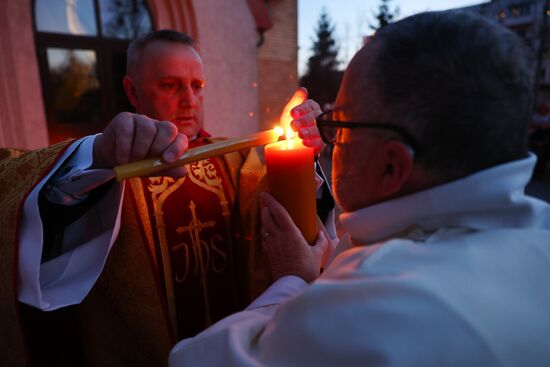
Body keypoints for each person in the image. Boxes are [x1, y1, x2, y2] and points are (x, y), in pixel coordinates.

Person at [169, 11, 550, 366]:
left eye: (340, 124)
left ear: (391, 165)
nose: (329, 140)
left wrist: (293, 280)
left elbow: (194, 358)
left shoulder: (370, 315)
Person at [0, 30, 324, 366]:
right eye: (170, 85)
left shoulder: (240, 161)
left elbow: (295, 233)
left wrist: (305, 156)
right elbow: (38, 232)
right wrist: (93, 162)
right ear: (132, 90)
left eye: (197, 86)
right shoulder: (105, 164)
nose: (189, 99)